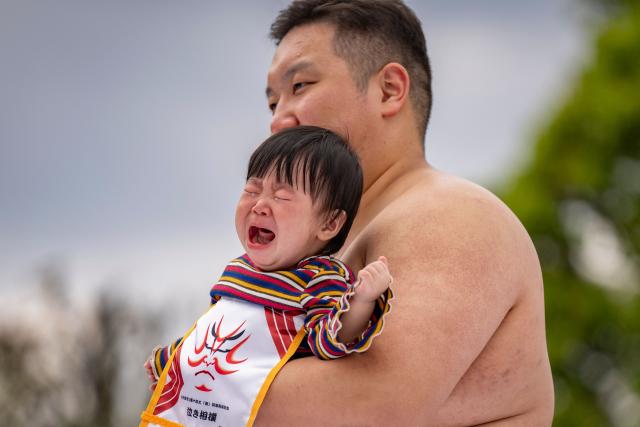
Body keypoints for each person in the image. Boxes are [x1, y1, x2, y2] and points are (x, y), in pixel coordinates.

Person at [252, 1, 555, 425]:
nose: (279, 121)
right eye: (271, 103)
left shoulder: (450, 214)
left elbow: (374, 404)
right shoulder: (328, 248)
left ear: (390, 89)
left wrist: (187, 376)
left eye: (300, 86)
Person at [140, 126, 393, 427]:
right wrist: (169, 360)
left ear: (329, 223)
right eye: (251, 190)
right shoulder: (238, 270)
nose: (259, 205)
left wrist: (362, 300)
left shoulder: (320, 278)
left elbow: (331, 340)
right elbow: (213, 332)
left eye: (282, 197)